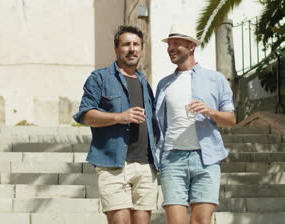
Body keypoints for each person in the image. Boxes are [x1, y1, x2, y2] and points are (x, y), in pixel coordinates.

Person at [73, 25, 158, 224]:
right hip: (113, 164)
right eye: (126, 44)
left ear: (141, 49)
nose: (132, 49)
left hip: (146, 165)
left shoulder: (145, 82)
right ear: (117, 49)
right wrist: (120, 117)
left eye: (136, 44)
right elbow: (85, 115)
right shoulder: (100, 78)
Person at [155, 24, 236, 224]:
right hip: (172, 159)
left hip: (206, 159)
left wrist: (210, 111)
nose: (170, 48)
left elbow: (231, 119)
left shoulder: (215, 79)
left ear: (191, 46)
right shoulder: (164, 83)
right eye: (169, 44)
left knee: (201, 221)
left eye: (176, 44)